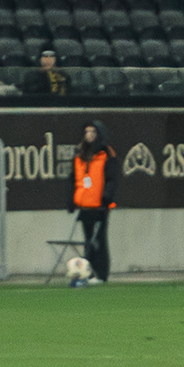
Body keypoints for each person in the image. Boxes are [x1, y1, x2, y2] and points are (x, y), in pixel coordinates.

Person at [69, 119, 117, 283]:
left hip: (100, 205)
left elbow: (112, 178)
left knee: (99, 240)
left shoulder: (106, 153)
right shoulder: (80, 154)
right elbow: (74, 178)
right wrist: (71, 200)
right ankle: (88, 272)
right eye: (87, 132)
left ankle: (101, 274)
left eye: (93, 132)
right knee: (88, 240)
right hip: (85, 205)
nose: (89, 135)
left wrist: (106, 197)